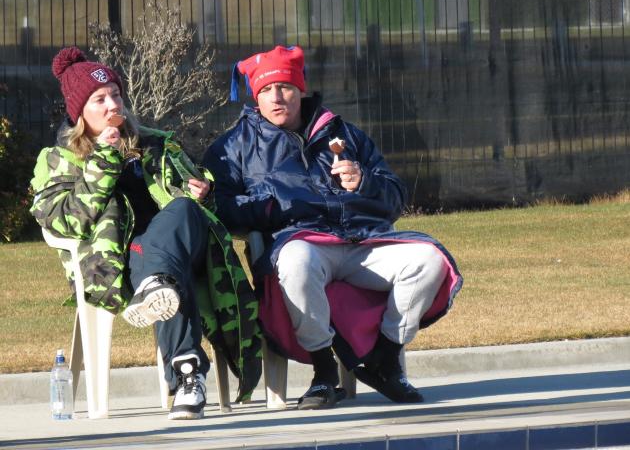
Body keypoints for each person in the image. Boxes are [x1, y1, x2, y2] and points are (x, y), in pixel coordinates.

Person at [203, 45, 463, 410]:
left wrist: (364, 182)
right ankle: (324, 370)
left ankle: (386, 359)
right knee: (296, 261)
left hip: (363, 242)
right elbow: (222, 210)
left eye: (285, 87)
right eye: (265, 90)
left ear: (301, 89)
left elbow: (395, 199)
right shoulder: (233, 147)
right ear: (254, 96)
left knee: (429, 259)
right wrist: (274, 206)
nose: (276, 98)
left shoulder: (344, 134)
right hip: (300, 242)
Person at [30, 47, 261, 420]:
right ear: (79, 113)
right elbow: (61, 221)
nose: (112, 105)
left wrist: (204, 192)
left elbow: (202, 206)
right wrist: (104, 160)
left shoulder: (156, 143)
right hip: (120, 262)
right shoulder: (58, 159)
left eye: (116, 95)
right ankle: (188, 375)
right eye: (99, 99)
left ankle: (161, 297)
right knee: (166, 277)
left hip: (183, 245)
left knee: (183, 210)